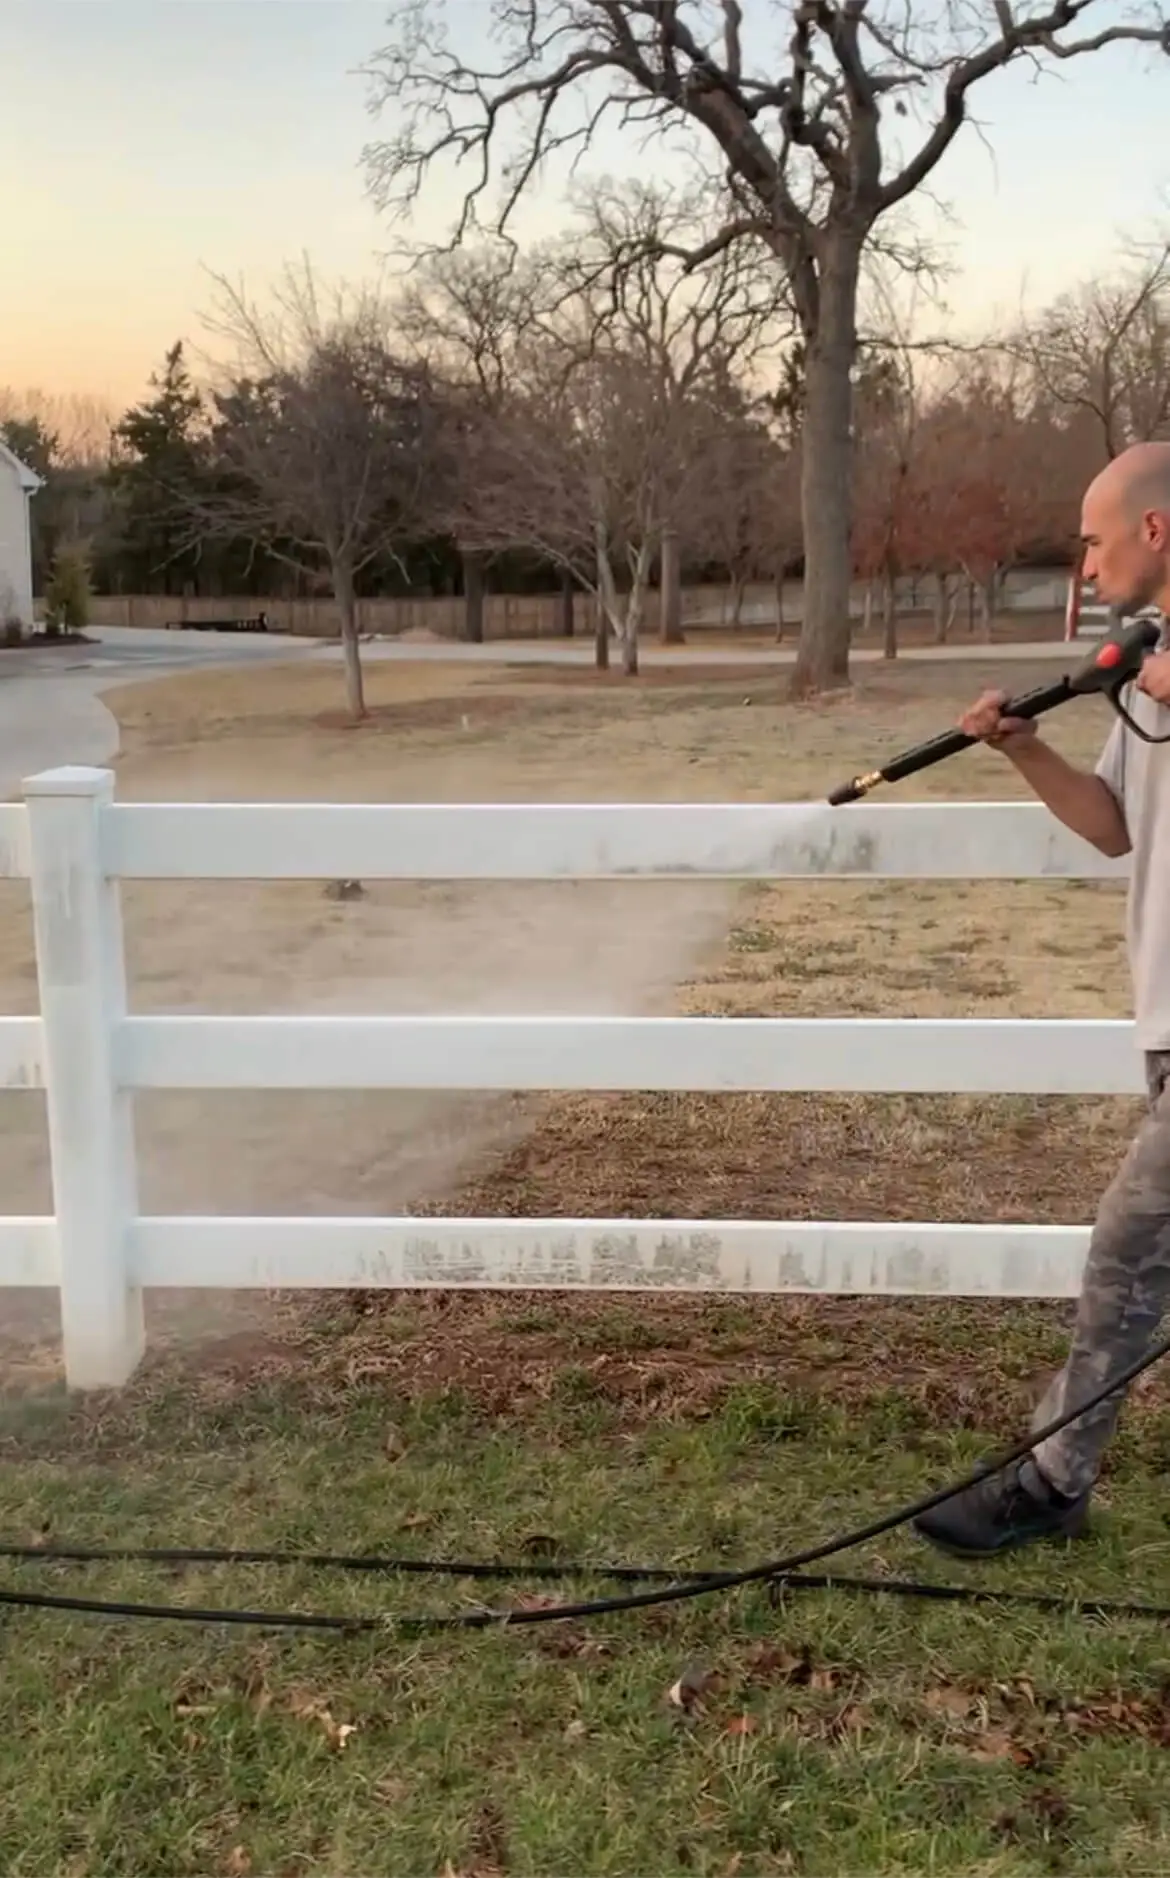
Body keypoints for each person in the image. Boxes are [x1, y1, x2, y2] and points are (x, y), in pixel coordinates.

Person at [914, 439, 1170, 1558]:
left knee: (1127, 1247)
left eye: (1094, 537)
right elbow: (1116, 825)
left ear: (1155, 530)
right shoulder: (1143, 659)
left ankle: (1053, 1478)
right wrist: (1024, 751)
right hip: (1164, 1023)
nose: (1083, 560)